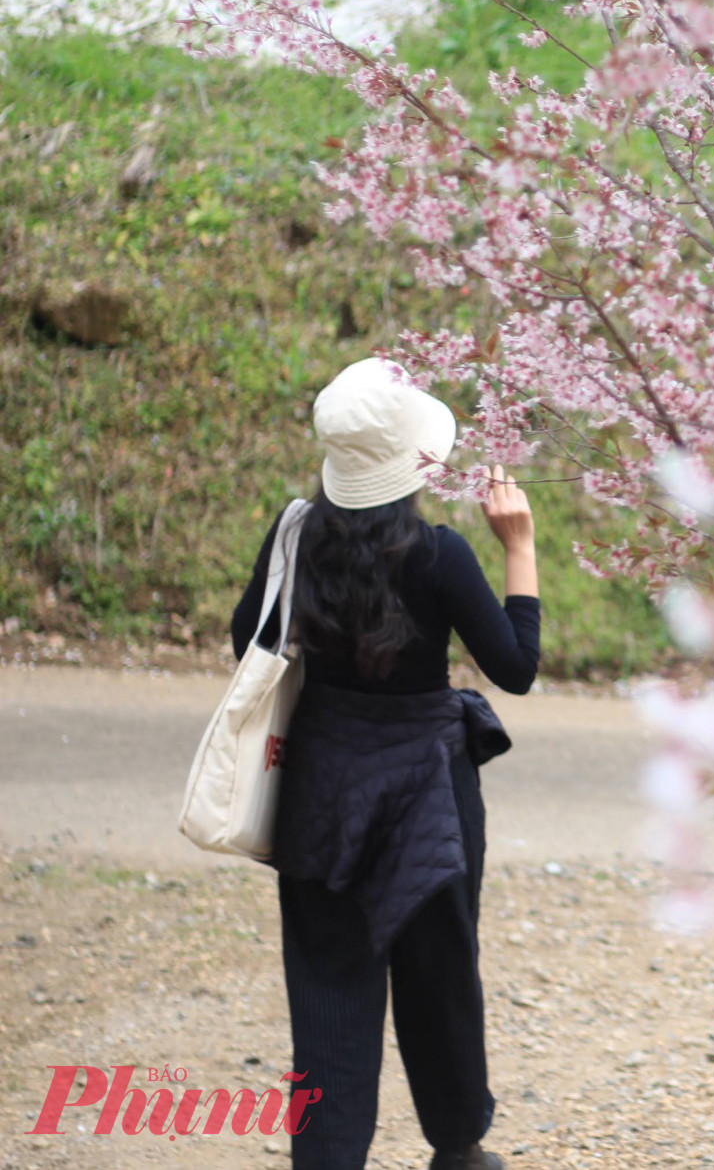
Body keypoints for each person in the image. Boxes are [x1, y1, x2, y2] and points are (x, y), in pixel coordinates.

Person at [230, 356, 540, 1170]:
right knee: (440, 973)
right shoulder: (439, 555)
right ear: (412, 462)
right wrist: (520, 544)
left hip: (321, 790)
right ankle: (458, 1145)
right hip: (428, 798)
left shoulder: (295, 532)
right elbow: (516, 666)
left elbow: (246, 642)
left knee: (329, 988)